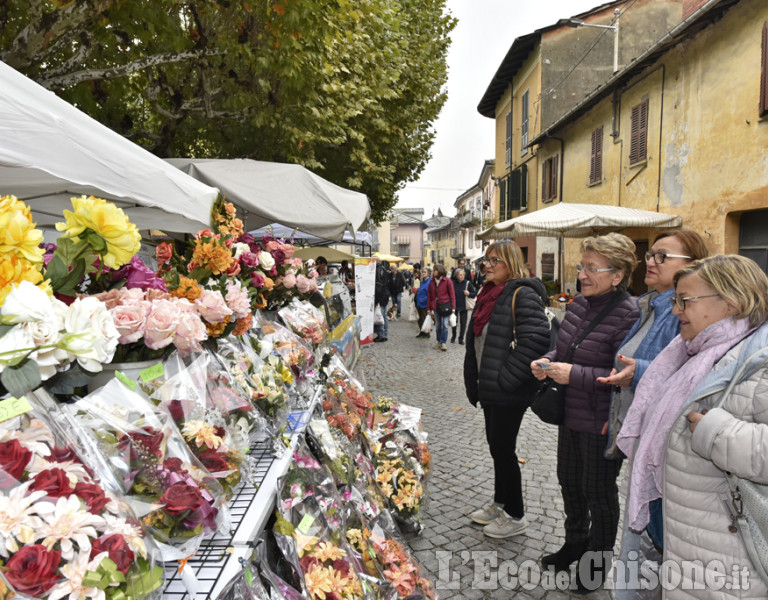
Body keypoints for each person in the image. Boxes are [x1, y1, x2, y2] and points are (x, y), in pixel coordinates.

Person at [614, 255, 768, 598]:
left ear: (732, 301)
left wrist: (716, 433)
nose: (676, 310)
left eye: (686, 300)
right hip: (677, 525)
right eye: (675, 299)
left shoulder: (759, 361)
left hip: (722, 550)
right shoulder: (689, 352)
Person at [530, 233, 640, 590]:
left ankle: (594, 568)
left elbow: (622, 374)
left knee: (600, 496)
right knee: (569, 484)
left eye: (592, 268)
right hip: (571, 415)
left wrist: (572, 374)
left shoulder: (629, 314)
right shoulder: (578, 304)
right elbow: (562, 348)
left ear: (618, 275)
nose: (583, 274)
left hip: (601, 422)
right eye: (582, 266)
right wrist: (548, 361)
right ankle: (574, 543)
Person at [464, 240, 552, 539]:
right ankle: (500, 502)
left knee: (504, 450)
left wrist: (506, 379)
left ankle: (515, 514)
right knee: (497, 448)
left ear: (511, 263)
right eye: (485, 260)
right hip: (490, 388)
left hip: (506, 391)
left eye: (494, 261)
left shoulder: (522, 295)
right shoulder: (489, 293)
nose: (486, 266)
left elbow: (536, 341)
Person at [600, 230, 710, 458]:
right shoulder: (652, 305)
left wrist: (638, 371)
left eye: (662, 256)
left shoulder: (685, 313)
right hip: (644, 429)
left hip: (663, 439)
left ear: (693, 265)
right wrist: (618, 416)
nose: (650, 261)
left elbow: (692, 373)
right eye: (651, 255)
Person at [427, 264, 455, 352]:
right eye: (433, 270)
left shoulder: (447, 281)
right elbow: (429, 295)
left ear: (440, 270)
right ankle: (438, 341)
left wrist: (453, 307)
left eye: (435, 270)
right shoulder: (432, 281)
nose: (433, 271)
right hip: (435, 306)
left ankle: (443, 342)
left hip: (445, 305)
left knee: (446, 324)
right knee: (438, 325)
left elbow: (452, 295)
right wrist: (429, 308)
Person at [451, 268, 476, 344]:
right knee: (454, 322)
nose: (462, 276)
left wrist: (469, 293)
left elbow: (474, 294)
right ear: (456, 276)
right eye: (460, 275)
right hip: (454, 306)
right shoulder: (453, 283)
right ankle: (454, 336)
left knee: (463, 323)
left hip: (464, 306)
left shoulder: (467, 283)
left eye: (463, 275)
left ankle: (461, 338)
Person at [373, 259, 390, 342]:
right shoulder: (384, 269)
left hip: (381, 295)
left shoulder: (377, 270)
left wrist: (377, 299)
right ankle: (385, 334)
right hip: (385, 294)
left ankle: (381, 335)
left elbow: (378, 285)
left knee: (380, 315)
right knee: (384, 316)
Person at [415, 268, 431, 339]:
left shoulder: (429, 281)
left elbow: (429, 294)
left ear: (428, 273)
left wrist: (423, 300)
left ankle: (426, 333)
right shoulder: (423, 281)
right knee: (420, 319)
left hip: (424, 304)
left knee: (425, 319)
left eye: (424, 272)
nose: (423, 273)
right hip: (419, 303)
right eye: (422, 272)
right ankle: (422, 331)